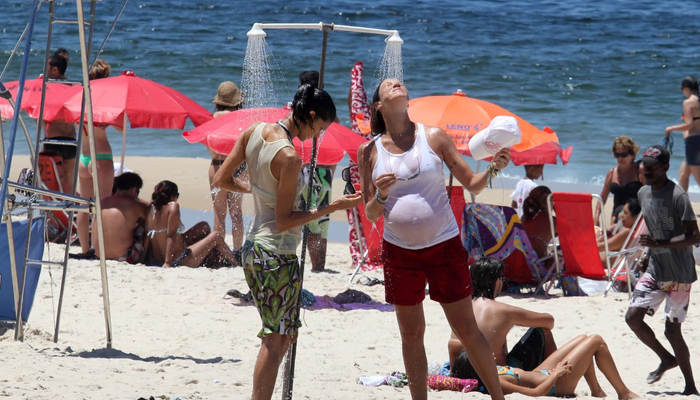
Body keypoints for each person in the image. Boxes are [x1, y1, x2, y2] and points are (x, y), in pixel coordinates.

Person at [357, 78, 510, 400]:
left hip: (443, 244)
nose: (396, 83)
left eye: (399, 82)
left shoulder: (433, 136)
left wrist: (494, 168)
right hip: (399, 250)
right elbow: (370, 213)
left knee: (467, 330)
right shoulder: (368, 150)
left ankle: (498, 397)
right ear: (378, 106)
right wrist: (382, 195)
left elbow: (474, 184)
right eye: (388, 84)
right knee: (411, 334)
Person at [212, 84, 362, 400]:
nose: (317, 136)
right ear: (309, 116)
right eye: (319, 128)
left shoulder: (254, 131)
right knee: (275, 337)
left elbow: (221, 180)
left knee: (281, 334)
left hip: (253, 249)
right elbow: (285, 221)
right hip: (276, 254)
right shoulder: (290, 157)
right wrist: (332, 207)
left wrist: (255, 190)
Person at [625, 145, 700, 395]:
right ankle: (667, 359)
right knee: (633, 318)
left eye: (653, 166)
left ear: (666, 167)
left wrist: (661, 244)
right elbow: (653, 224)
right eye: (645, 164)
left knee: (672, 330)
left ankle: (690, 385)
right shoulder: (643, 192)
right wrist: (649, 253)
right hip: (656, 269)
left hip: (679, 275)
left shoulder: (678, 196)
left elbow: (694, 236)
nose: (647, 169)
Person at [447, 258, 558, 374]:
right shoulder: (504, 311)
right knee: (544, 331)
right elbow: (549, 321)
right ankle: (553, 376)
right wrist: (517, 320)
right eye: (502, 278)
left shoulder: (461, 309)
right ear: (497, 281)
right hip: (496, 373)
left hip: (461, 370)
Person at [452, 334, 638, 399]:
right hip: (555, 386)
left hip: (540, 373)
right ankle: (623, 393)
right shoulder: (496, 382)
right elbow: (535, 394)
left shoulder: (494, 370)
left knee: (583, 339)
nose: (486, 354)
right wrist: (555, 374)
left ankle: (596, 391)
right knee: (596, 341)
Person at [144, 180, 237, 268]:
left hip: (159, 258)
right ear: (173, 196)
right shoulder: (173, 207)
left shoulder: (151, 210)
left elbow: (147, 236)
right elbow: (171, 236)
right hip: (179, 260)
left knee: (204, 226)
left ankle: (213, 260)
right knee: (216, 236)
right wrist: (167, 263)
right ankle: (235, 264)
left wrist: (142, 258)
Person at [76, 59, 116, 257]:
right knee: (102, 206)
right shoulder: (105, 102)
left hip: (83, 158)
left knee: (84, 207)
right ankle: (98, 251)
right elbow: (119, 126)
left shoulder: (81, 99)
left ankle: (84, 249)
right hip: (100, 157)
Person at [298, 70, 336, 272]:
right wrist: (331, 171)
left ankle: (315, 265)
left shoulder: (297, 111)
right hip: (323, 171)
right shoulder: (326, 113)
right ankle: (318, 265)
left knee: (309, 217)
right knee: (321, 219)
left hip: (302, 169)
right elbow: (335, 147)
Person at [209, 81, 246, 253]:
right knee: (236, 212)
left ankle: (219, 251)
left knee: (219, 213)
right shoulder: (242, 117)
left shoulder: (215, 117)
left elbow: (209, 144)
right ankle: (237, 251)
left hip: (217, 165)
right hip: (239, 167)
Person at [94, 172, 149, 263]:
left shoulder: (102, 202)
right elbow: (153, 217)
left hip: (99, 255)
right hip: (124, 257)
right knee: (145, 222)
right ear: (134, 189)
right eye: (138, 192)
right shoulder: (135, 206)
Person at [43, 53, 78, 194]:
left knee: (49, 180)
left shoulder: (49, 88)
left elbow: (44, 115)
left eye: (48, 67)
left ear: (55, 70)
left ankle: (51, 212)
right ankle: (68, 210)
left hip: (53, 139)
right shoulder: (74, 87)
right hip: (71, 139)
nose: (45, 70)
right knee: (69, 180)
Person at [597, 136, 645, 225]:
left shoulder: (640, 171)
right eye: (617, 155)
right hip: (616, 216)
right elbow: (602, 198)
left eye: (623, 155)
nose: (620, 158)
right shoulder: (612, 173)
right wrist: (596, 218)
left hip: (635, 217)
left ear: (632, 154)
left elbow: (650, 195)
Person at [666, 76, 700, 192]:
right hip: (696, 143)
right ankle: (683, 207)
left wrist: (671, 128)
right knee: (683, 175)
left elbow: (689, 124)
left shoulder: (688, 102)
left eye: (682, 89)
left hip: (694, 143)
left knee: (698, 179)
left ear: (687, 88)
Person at [521, 186, 553, 261]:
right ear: (548, 201)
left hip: (524, 262)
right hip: (538, 266)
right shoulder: (551, 220)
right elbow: (569, 232)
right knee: (556, 258)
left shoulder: (524, 217)